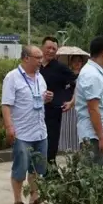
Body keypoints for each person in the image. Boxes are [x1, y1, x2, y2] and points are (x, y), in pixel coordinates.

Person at [1, 45, 53, 204]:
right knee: (20, 167)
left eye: (41, 58)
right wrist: (9, 127)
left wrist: (47, 99)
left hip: (40, 131)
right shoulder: (12, 78)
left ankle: (34, 198)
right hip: (22, 132)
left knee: (38, 168)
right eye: (37, 58)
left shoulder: (40, 78)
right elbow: (6, 105)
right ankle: (17, 201)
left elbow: (38, 101)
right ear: (26, 58)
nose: (41, 61)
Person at [76, 36, 103, 167]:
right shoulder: (92, 75)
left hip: (97, 134)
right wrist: (102, 138)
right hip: (94, 137)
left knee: (100, 177)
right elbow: (93, 109)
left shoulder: (96, 73)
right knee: (95, 179)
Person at [39, 36, 78, 165]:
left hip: (53, 112)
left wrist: (70, 100)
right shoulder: (35, 66)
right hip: (35, 111)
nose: (51, 51)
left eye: (54, 49)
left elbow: (77, 82)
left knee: (51, 145)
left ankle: (50, 173)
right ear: (42, 48)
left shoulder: (60, 67)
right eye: (48, 48)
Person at [59, 55, 85, 154]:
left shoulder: (84, 74)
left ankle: (78, 150)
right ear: (70, 63)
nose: (77, 63)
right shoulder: (66, 74)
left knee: (77, 129)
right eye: (75, 61)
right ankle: (67, 149)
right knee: (66, 129)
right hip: (67, 102)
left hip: (79, 104)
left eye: (79, 61)